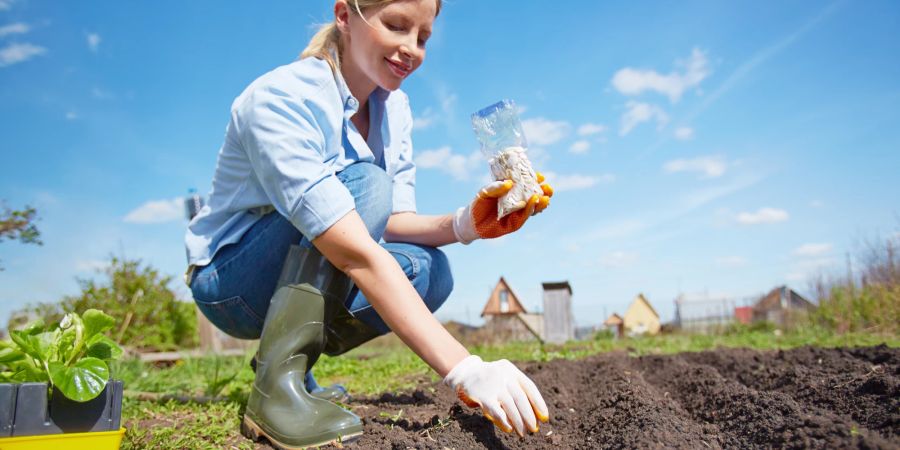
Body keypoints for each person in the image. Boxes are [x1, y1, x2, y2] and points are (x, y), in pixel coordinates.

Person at [184, 0, 553, 447]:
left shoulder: (394, 108)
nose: (411, 49)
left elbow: (392, 221)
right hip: (231, 284)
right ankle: (274, 390)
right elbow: (354, 245)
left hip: (313, 251)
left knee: (429, 271)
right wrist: (466, 367)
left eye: (423, 37)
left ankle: (293, 371)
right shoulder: (282, 98)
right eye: (396, 26)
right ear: (344, 16)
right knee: (367, 183)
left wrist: (467, 224)